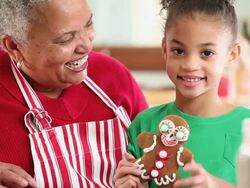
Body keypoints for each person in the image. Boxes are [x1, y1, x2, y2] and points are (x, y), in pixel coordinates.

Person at [0, 0, 148, 187]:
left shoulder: (113, 76)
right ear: (14, 46)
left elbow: (158, 155)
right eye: (66, 39)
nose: (86, 46)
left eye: (88, 25)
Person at [114, 0, 250, 187]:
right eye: (178, 51)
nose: (190, 65)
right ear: (165, 49)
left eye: (207, 53)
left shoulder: (246, 126)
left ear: (232, 54)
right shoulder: (144, 124)